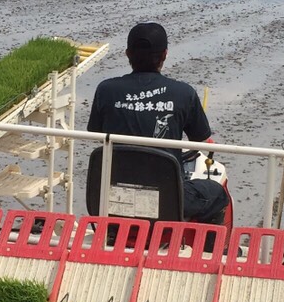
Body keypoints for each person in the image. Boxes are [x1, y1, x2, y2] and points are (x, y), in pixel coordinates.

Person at [87, 21, 228, 224]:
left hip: (112, 195)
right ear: (164, 55)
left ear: (127, 54)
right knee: (216, 193)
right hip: (167, 199)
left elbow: (95, 133)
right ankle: (208, 250)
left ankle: (113, 233)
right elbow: (203, 140)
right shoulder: (184, 93)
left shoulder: (105, 90)